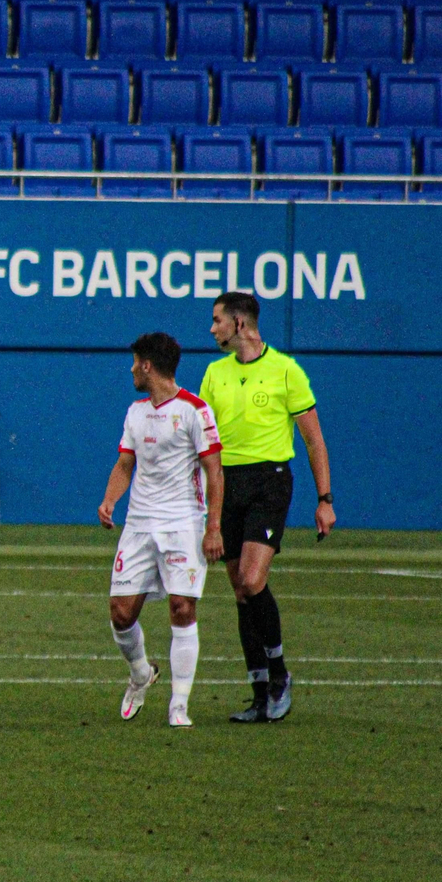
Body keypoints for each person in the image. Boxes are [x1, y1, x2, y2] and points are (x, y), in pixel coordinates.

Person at [201, 292, 336, 723]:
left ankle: (279, 675)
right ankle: (259, 692)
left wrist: (324, 499)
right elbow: (202, 443)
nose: (212, 328)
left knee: (252, 578)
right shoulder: (214, 374)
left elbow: (314, 440)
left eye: (218, 320)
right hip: (226, 485)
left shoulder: (285, 371)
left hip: (269, 483)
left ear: (240, 324)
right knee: (240, 592)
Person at [98, 333, 224, 728]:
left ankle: (179, 706)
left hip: (183, 523)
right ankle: (140, 672)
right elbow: (125, 464)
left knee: (182, 608)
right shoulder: (136, 412)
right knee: (120, 613)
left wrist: (213, 527)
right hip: (139, 523)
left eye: (136, 362)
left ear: (148, 366)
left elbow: (214, 472)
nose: (132, 369)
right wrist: (110, 500)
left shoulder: (195, 411)